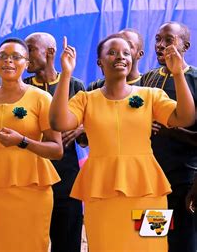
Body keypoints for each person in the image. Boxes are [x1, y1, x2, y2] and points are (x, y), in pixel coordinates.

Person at [49, 34, 195, 251]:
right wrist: (66, 75)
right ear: (99, 62)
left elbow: (185, 117)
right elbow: (58, 121)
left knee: (152, 245)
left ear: (134, 58)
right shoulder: (86, 99)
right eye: (112, 52)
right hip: (101, 188)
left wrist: (178, 75)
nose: (121, 57)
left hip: (149, 189)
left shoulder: (151, 95)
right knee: (105, 245)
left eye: (126, 53)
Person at [0, 38, 63, 251]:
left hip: (33, 188)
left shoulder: (41, 98)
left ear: (26, 64)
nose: (9, 61)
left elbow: (57, 150)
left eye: (16, 57)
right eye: (3, 56)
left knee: (32, 244)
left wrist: (23, 142)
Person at [24, 32, 84, 252]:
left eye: (30, 49)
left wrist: (81, 128)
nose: (25, 54)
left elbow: (90, 130)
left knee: (67, 244)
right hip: (31, 180)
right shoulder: (22, 89)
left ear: (50, 52)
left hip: (66, 181)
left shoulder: (75, 85)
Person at [141, 21, 197, 252]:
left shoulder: (194, 79)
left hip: (185, 183)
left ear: (185, 46)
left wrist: (171, 130)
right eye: (157, 40)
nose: (161, 46)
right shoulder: (148, 79)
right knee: (153, 242)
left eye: (169, 40)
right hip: (153, 185)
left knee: (183, 244)